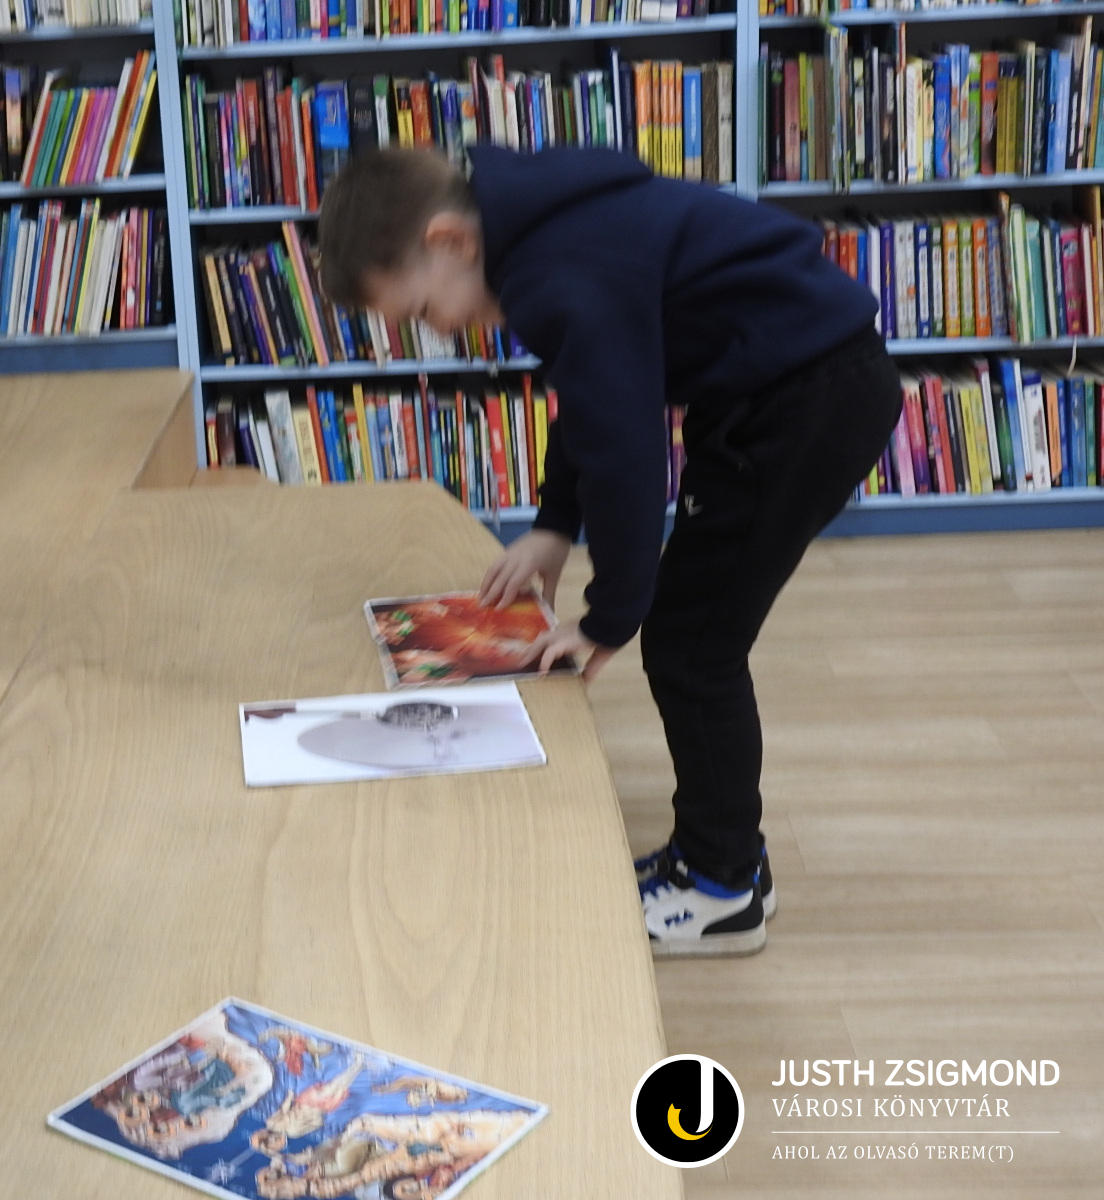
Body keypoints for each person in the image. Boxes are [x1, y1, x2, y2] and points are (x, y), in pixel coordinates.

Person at [316, 144, 902, 957]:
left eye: (421, 309)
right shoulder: (547, 236)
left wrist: (610, 616)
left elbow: (627, 450)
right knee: (694, 638)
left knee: (693, 649)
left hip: (808, 403)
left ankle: (721, 889)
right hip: (784, 392)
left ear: (451, 240)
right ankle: (726, 858)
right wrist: (556, 523)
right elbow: (594, 394)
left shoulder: (551, 270)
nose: (438, 330)